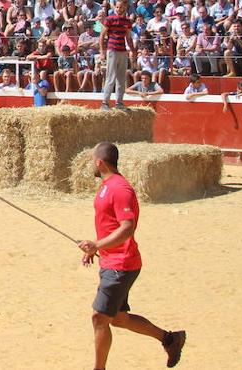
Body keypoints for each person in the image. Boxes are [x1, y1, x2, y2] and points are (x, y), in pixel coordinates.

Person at [78, 142, 186, 370]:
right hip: (113, 261)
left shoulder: (120, 188)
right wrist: (96, 248)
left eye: (92, 159)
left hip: (121, 264)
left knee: (99, 317)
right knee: (118, 318)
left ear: (100, 161)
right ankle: (170, 339)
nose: (91, 164)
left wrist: (96, 244)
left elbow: (127, 228)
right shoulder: (106, 186)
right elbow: (110, 225)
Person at [101, 0, 134, 110]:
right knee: (110, 77)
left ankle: (119, 102)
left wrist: (133, 50)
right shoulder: (110, 19)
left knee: (121, 78)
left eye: (121, 7)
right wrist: (102, 52)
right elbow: (102, 36)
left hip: (122, 50)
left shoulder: (127, 22)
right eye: (117, 7)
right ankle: (105, 102)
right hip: (112, 49)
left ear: (124, 7)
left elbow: (128, 37)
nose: (119, 9)